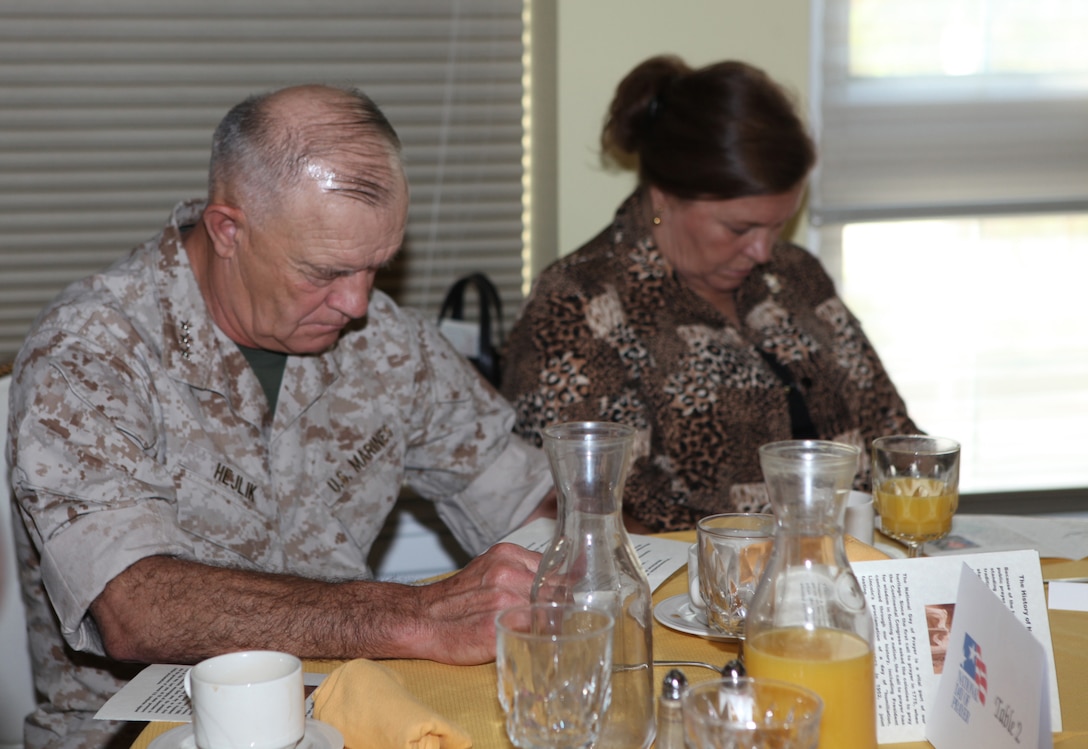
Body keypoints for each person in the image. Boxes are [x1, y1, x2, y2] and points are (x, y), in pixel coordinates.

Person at [7, 84, 553, 749]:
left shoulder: (386, 342)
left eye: (376, 267)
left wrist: (572, 538)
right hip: (143, 732)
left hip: (344, 715)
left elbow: (525, 493)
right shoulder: (92, 351)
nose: (356, 302)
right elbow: (134, 604)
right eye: (324, 271)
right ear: (228, 230)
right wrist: (412, 615)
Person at [501, 56, 919, 533]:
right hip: (691, 594)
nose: (762, 250)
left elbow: (892, 435)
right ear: (664, 196)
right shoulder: (579, 305)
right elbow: (588, 513)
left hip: (855, 575)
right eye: (739, 227)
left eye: (778, 223)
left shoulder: (797, 277)